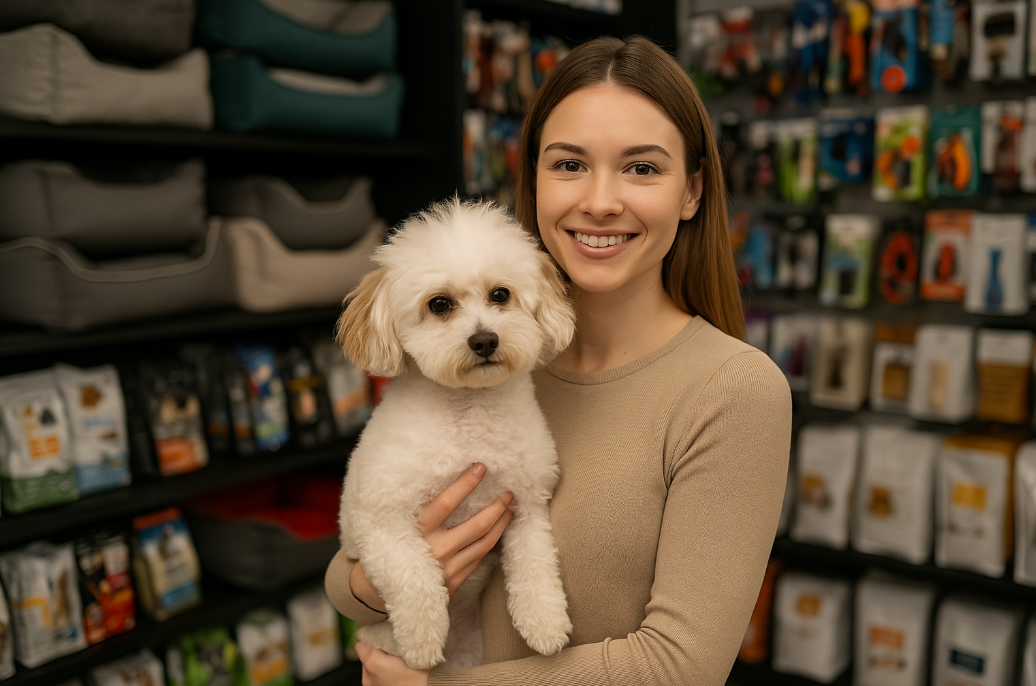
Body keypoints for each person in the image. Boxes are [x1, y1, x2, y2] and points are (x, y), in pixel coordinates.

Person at [325, 35, 792, 686]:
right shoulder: (487, 361)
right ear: (534, 180)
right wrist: (382, 585)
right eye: (569, 165)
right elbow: (348, 569)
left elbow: (680, 668)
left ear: (691, 192)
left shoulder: (734, 391)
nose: (600, 201)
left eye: (641, 168)